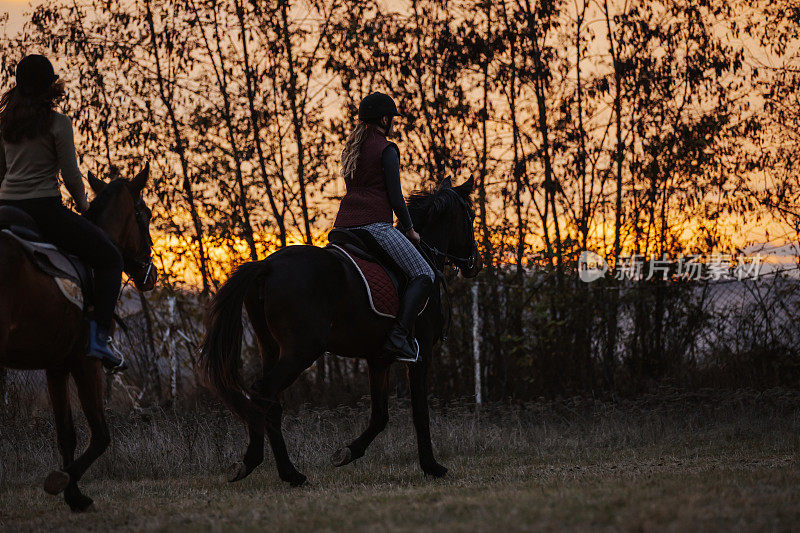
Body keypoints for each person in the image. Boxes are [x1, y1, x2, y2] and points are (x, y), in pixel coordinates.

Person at [0, 54, 125, 370]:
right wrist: (83, 207)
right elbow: (71, 175)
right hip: (43, 210)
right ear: (49, 87)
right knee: (111, 258)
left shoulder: (4, 123)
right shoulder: (59, 123)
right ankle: (99, 340)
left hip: (5, 209)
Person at [334, 92, 435, 363]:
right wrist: (410, 228)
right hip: (375, 227)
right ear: (384, 119)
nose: (394, 124)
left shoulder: (352, 150)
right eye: (392, 120)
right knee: (424, 273)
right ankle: (399, 337)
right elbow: (395, 195)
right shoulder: (386, 149)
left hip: (343, 228)